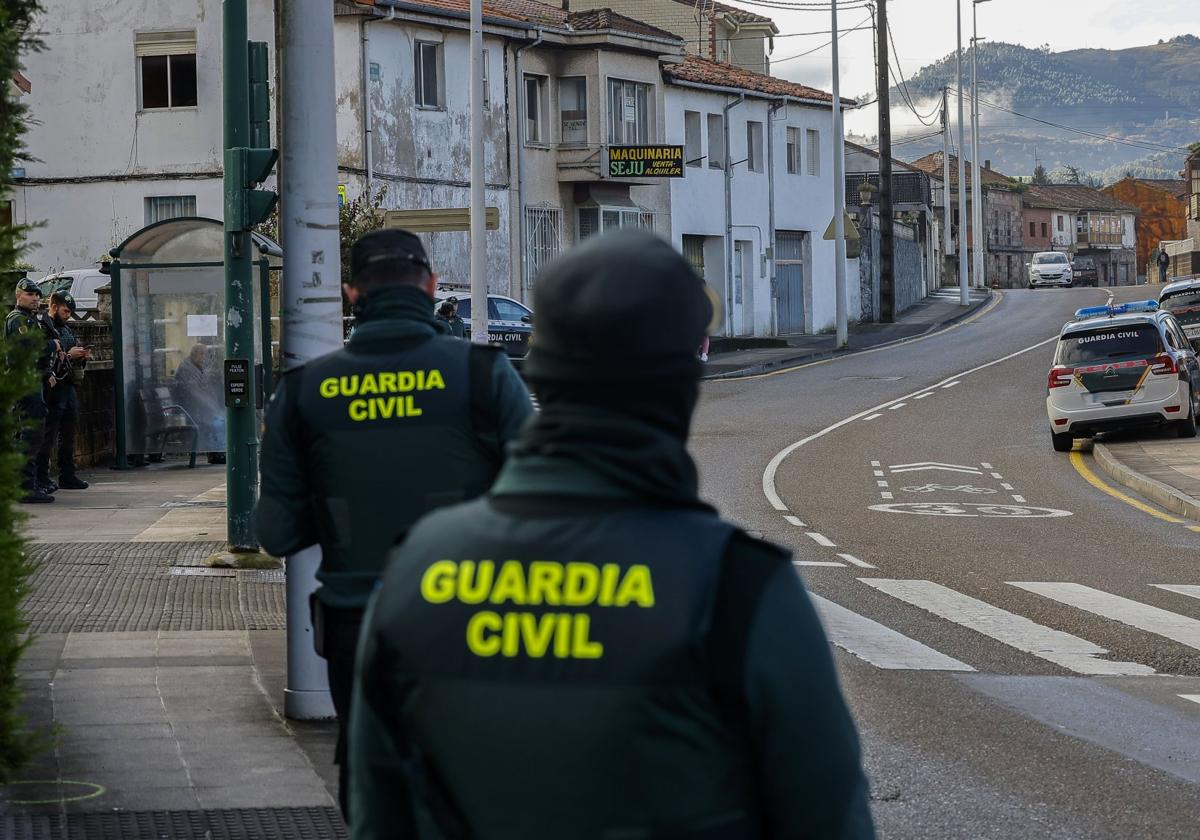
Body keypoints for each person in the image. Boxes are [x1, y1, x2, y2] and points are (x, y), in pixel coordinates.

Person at [348, 230, 875, 840]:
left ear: (541, 373)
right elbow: (830, 820)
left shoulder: (415, 570)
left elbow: (376, 816)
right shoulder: (738, 590)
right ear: (679, 387)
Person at [255, 228, 533, 820]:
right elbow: (547, 506)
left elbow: (276, 533)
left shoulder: (303, 393)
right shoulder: (485, 375)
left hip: (358, 629)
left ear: (353, 294)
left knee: (377, 794)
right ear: (431, 287)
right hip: (473, 620)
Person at [5, 278, 62, 504]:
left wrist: (47, 372)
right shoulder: (17, 319)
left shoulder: (30, 319)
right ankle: (25, 487)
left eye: (38, 296)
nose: (36, 299)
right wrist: (52, 345)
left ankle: (31, 483)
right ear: (19, 295)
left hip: (33, 380)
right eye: (30, 295)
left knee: (34, 434)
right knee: (29, 435)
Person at [36, 291, 91, 492]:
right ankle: (41, 477)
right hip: (54, 387)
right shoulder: (44, 327)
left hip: (68, 385)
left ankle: (67, 474)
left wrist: (82, 355)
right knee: (48, 434)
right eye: (66, 310)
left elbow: (68, 354)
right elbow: (46, 355)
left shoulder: (65, 329)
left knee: (68, 433)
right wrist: (69, 354)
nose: (68, 314)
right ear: (54, 306)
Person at [173, 343, 226, 464]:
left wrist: (215, 405)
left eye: (206, 354)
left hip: (201, 408)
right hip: (191, 409)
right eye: (203, 354)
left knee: (223, 418)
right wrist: (212, 407)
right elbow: (194, 394)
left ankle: (218, 451)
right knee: (219, 421)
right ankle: (217, 452)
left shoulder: (197, 367)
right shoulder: (187, 369)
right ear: (195, 354)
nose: (205, 358)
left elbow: (208, 390)